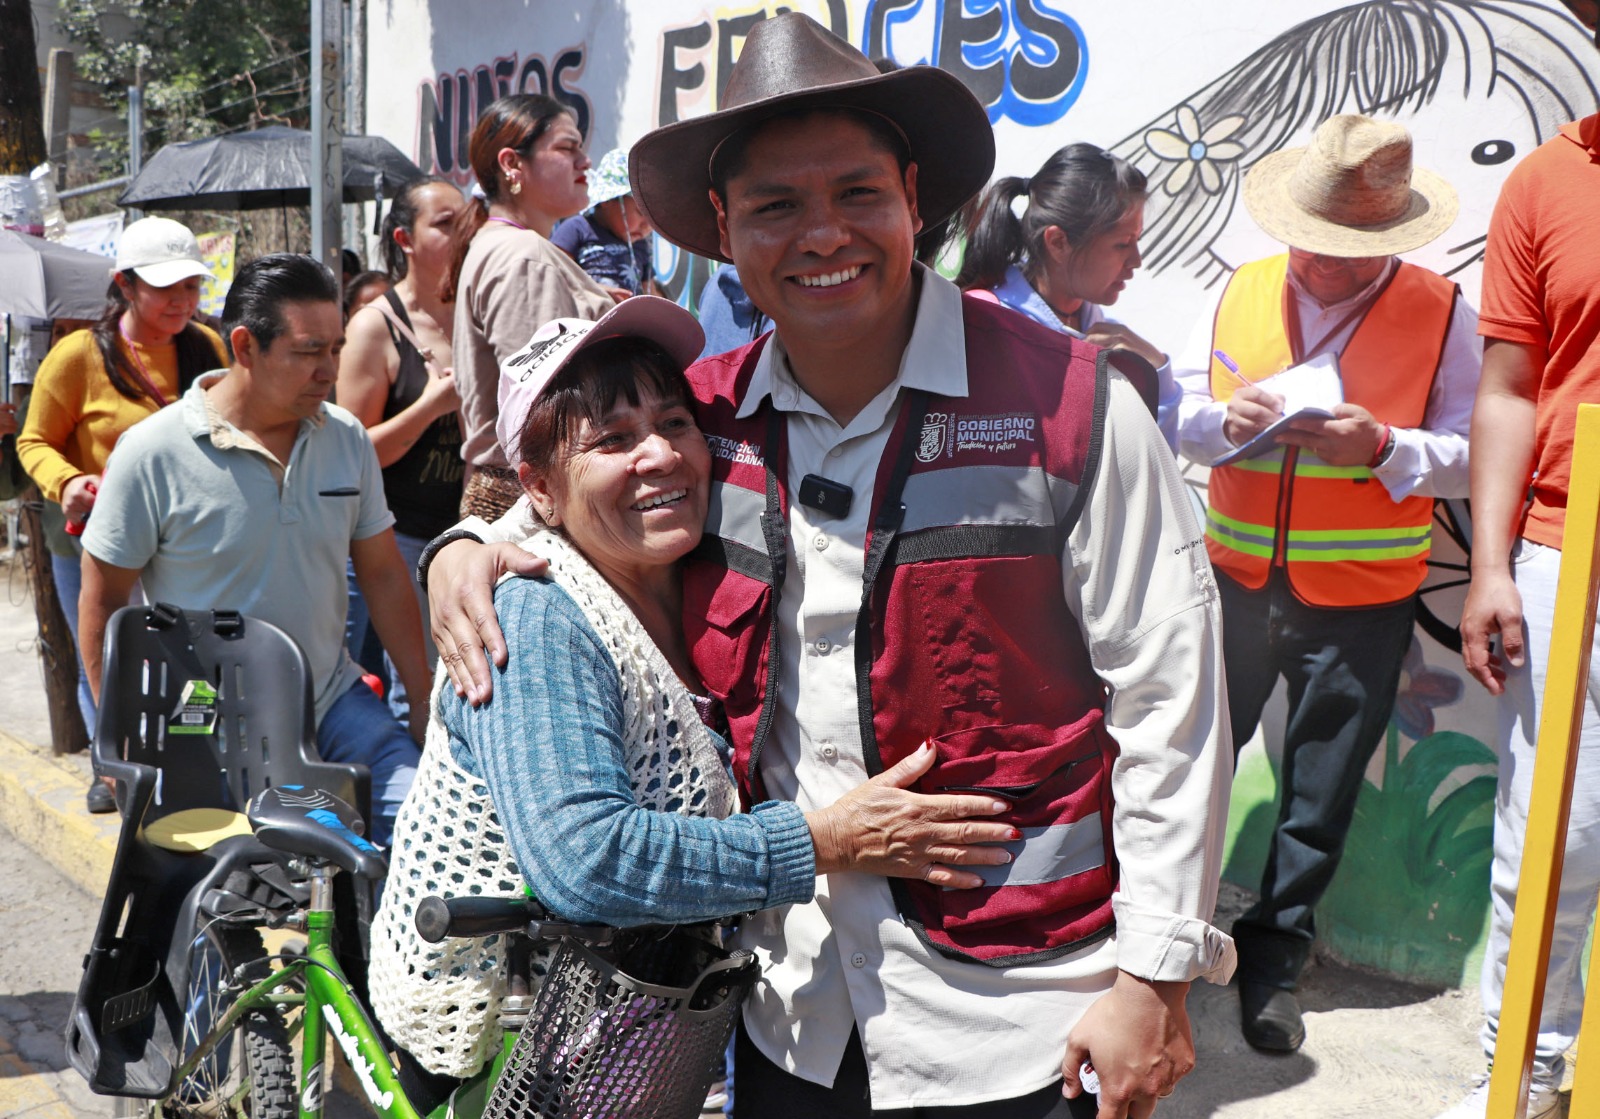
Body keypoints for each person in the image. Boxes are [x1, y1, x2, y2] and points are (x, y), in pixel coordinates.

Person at [425, 15, 1236, 1118]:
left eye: (856, 194)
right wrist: (464, 549)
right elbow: (560, 504)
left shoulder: (1070, 404)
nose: (821, 236)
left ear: (913, 197)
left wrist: (1154, 980)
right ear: (722, 227)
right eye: (774, 206)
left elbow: (1171, 705)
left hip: (1026, 1025)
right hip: (789, 1016)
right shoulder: (705, 416)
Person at [368, 296, 1018, 1110]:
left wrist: (456, 544)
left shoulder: (701, 564)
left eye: (674, 422)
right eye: (610, 439)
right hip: (503, 1042)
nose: (659, 456)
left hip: (631, 1027)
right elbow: (587, 857)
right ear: (538, 485)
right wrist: (826, 841)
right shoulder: (536, 612)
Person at [1173, 113, 1479, 1053]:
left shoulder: (1443, 309)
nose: (1317, 265)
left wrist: (1382, 446)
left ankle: (1276, 958)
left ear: (1387, 243)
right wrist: (1224, 421)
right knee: (1186, 770)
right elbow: (1177, 408)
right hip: (1234, 581)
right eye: (1308, 242)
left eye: (1343, 255)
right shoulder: (1240, 288)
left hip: (1363, 598)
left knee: (1320, 789)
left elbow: (1475, 455)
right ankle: (1162, 946)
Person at [74, 253, 426, 847]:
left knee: (425, 829)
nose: (329, 370)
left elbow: (385, 576)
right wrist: (119, 736)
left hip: (331, 702)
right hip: (204, 724)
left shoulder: (346, 441)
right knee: (214, 903)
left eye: (336, 349)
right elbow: (104, 596)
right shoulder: (152, 453)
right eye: (309, 351)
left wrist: (421, 698)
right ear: (245, 346)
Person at [1449, 4, 1600, 1115]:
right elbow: (1507, 389)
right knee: (1551, 840)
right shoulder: (1548, 181)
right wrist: (1491, 566)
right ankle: (1526, 1073)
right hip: (1566, 553)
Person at [15, 216, 225, 814]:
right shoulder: (77, 356)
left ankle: (186, 759)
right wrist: (68, 482)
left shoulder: (207, 348)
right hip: (97, 538)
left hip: (186, 537)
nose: (182, 301)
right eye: (165, 288)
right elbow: (34, 441)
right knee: (105, 654)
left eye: (190, 286)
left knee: (188, 655)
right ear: (125, 285)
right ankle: (113, 768)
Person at [448, 93, 615, 522]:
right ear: (511, 164)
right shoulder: (522, 254)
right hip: (534, 500)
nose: (585, 162)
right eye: (567, 147)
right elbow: (540, 406)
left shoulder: (511, 247)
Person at [337, 176, 466, 716]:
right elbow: (350, 450)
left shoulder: (479, 309)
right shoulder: (375, 327)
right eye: (444, 224)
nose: (463, 234)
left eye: (467, 220)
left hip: (472, 533)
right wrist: (430, 408)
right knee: (417, 686)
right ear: (404, 239)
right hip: (401, 539)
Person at [957, 143, 1181, 449]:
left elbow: (1155, 463)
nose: (1136, 260)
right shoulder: (984, 328)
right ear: (1058, 242)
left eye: (1137, 241)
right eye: (1122, 244)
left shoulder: (1109, 338)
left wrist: (1156, 374)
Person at [551, 147, 657, 298]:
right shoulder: (577, 229)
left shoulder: (640, 245)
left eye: (651, 216)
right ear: (607, 201)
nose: (647, 225)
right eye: (640, 213)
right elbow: (555, 274)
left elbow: (650, 290)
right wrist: (597, 290)